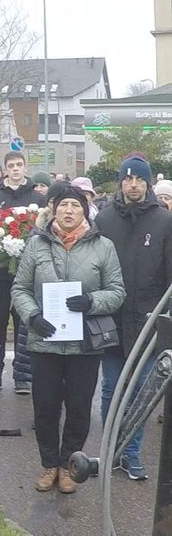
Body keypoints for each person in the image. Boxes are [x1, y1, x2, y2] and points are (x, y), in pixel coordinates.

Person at [12, 182, 125, 494]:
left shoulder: (103, 246)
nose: (69, 210)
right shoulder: (37, 245)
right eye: (63, 205)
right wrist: (32, 316)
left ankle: (67, 465)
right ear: (53, 209)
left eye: (75, 205)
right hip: (44, 342)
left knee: (78, 407)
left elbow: (117, 292)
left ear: (85, 210)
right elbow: (20, 288)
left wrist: (92, 301)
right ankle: (49, 464)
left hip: (85, 344)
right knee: (45, 407)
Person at [94, 155, 172, 481]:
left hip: (147, 322)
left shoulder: (164, 221)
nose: (133, 185)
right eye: (127, 179)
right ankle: (110, 451)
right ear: (120, 183)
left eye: (139, 179)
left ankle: (132, 452)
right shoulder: (104, 219)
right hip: (110, 320)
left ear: (148, 183)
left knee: (141, 392)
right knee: (111, 389)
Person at [0, 151, 40, 394]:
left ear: (25, 168)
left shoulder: (36, 197)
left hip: (28, 274)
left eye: (19, 165)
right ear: (5, 169)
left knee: (24, 323)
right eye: (11, 166)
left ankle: (23, 376)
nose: (15, 169)